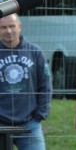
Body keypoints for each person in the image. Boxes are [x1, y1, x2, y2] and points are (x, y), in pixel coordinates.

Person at [0, 14, 51, 150]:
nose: (8, 31)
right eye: (3, 27)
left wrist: (40, 115)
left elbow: (45, 86)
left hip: (29, 123)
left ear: (19, 26)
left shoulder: (35, 52)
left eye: (12, 26)